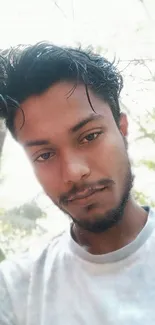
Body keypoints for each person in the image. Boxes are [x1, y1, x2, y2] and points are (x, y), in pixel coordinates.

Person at [0, 42, 155, 325]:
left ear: (122, 129)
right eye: (45, 155)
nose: (73, 172)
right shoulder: (14, 290)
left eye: (89, 137)